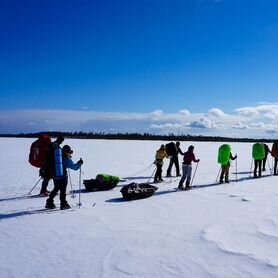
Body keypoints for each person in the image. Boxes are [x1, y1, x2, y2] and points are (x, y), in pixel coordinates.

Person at [45, 144, 83, 210]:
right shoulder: (66, 158)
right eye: (69, 152)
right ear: (66, 151)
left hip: (55, 176)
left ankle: (49, 202)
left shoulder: (57, 156)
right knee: (63, 191)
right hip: (63, 177)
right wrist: (79, 163)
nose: (70, 153)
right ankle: (63, 204)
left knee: (56, 188)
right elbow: (74, 167)